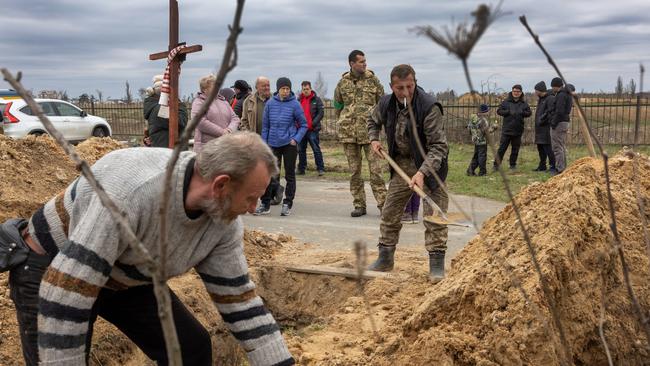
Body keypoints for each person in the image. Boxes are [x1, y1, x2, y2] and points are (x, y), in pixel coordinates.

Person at [1, 133, 295, 366]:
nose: (254, 208)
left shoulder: (223, 221)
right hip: (53, 265)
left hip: (123, 272)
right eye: (252, 198)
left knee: (189, 349)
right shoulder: (131, 193)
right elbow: (66, 292)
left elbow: (241, 302)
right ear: (221, 185)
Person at [367, 64, 449, 282]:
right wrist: (374, 138)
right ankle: (385, 258)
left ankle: (436, 265)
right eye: (399, 87)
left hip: (431, 167)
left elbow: (439, 147)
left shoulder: (429, 106)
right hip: (401, 164)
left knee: (435, 217)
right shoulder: (385, 103)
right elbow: (372, 120)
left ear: (415, 82)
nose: (405, 92)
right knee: (389, 212)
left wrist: (422, 173)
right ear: (391, 86)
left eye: (409, 86)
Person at [334, 50, 387, 217]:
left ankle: (383, 206)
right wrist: (344, 121)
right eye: (361, 61)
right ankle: (359, 205)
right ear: (351, 64)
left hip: (370, 135)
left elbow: (383, 104)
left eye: (365, 61)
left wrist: (379, 128)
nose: (365, 64)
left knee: (376, 171)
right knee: (354, 172)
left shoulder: (373, 81)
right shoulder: (342, 83)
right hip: (349, 134)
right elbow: (337, 105)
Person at [256, 77, 308, 217]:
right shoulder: (270, 104)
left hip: (289, 144)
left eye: (287, 89)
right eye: (283, 89)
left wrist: (295, 139)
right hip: (272, 143)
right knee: (270, 175)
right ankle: (265, 203)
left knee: (290, 175)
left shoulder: (295, 104)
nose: (285, 91)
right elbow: (266, 126)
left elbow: (304, 125)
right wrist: (264, 143)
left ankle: (287, 203)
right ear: (278, 89)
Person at [241, 76, 284, 206]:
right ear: (257, 87)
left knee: (273, 167)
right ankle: (272, 190)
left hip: (273, 139)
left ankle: (272, 193)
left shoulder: (275, 100)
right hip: (256, 140)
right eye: (264, 85)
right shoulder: (249, 101)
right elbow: (243, 120)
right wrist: (248, 134)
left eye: (268, 85)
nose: (267, 88)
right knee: (258, 168)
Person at [191, 74, 240, 152]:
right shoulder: (199, 102)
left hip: (224, 146)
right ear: (204, 89)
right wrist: (222, 132)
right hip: (206, 148)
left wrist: (230, 130)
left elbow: (235, 118)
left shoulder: (223, 102)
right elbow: (199, 121)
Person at [143, 74, 188, 148]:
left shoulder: (152, 106)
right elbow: (180, 122)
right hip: (166, 147)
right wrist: (180, 105)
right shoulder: (159, 108)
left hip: (160, 145)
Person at [494, 84, 531, 170]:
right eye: (514, 91)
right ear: (512, 91)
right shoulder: (506, 102)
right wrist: (507, 112)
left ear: (521, 93)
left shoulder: (524, 103)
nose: (516, 93)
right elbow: (499, 111)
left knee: (515, 149)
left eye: (518, 92)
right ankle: (496, 165)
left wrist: (522, 112)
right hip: (507, 129)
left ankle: (512, 165)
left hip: (518, 130)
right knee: (502, 148)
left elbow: (529, 113)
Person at [297, 81, 325, 176]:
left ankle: (320, 168)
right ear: (302, 89)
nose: (305, 91)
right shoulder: (299, 100)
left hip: (312, 130)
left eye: (307, 89)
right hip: (301, 130)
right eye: (304, 89)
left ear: (310, 89)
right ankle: (301, 169)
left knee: (316, 149)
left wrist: (313, 123)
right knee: (301, 150)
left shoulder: (316, 100)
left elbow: (321, 113)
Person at [550, 77, 572, 175]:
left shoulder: (561, 95)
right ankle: (563, 167)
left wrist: (553, 123)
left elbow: (559, 111)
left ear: (555, 86)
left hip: (559, 123)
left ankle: (560, 169)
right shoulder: (567, 94)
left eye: (552, 86)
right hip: (565, 122)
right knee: (561, 146)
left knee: (557, 147)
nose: (552, 89)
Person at [532, 81, 556, 172]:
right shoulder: (541, 99)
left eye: (536, 90)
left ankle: (553, 166)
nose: (535, 92)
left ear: (540, 90)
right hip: (539, 129)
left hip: (545, 128)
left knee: (548, 148)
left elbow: (550, 112)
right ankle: (542, 166)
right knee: (541, 148)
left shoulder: (550, 98)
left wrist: (542, 119)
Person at [466, 103, 494, 176]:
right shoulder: (483, 121)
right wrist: (494, 128)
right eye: (487, 111)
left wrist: (473, 135)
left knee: (476, 156)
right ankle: (482, 172)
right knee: (482, 157)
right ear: (484, 112)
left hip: (475, 140)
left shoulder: (473, 118)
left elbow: (469, 128)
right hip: (482, 141)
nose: (488, 112)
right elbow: (487, 132)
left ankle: (470, 171)